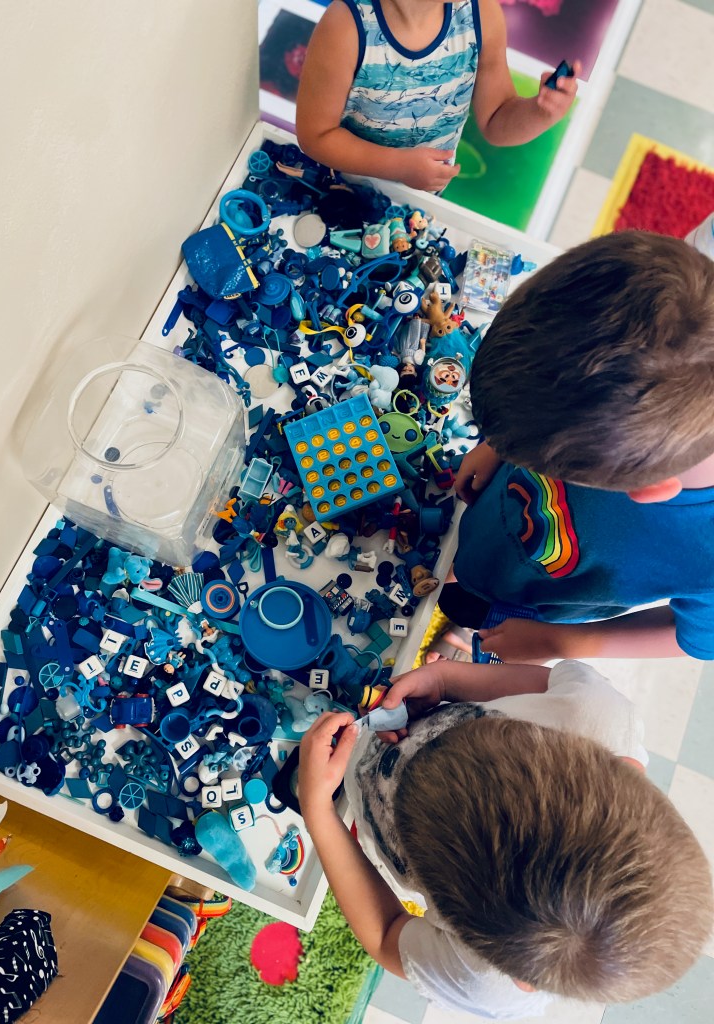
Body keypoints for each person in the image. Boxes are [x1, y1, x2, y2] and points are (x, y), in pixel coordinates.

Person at [298, 660, 713, 1015]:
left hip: (362, 805)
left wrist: (319, 812)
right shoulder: (598, 713)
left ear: (521, 980)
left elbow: (386, 933)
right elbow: (545, 682)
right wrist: (445, 679)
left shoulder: (482, 981)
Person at [427, 227, 714, 664]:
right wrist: (501, 444)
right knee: (463, 582)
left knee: (478, 612)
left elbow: (695, 637)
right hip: (497, 523)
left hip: (546, 601)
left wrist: (560, 642)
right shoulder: (684, 304)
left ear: (647, 488)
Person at [296, 0, 578, 193]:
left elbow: (496, 121)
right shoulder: (345, 26)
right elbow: (316, 136)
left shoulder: (480, 14)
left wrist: (541, 113)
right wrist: (398, 166)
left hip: (420, 202)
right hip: (338, 188)